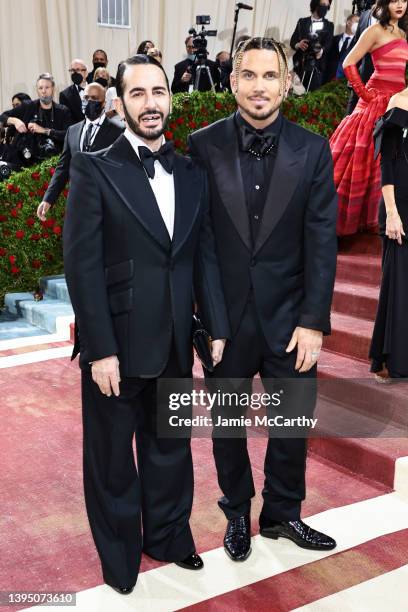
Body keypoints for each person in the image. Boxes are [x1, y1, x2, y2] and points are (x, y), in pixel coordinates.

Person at [63, 54, 230, 594]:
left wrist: (218, 325)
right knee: (112, 457)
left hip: (177, 339)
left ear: (170, 98)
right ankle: (119, 558)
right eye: (138, 94)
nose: (151, 103)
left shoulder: (190, 172)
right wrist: (99, 350)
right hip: (117, 345)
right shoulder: (95, 166)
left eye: (159, 92)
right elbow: (81, 263)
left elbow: (202, 254)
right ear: (120, 102)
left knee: (170, 448)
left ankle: (168, 536)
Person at [188, 37, 338, 562]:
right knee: (227, 427)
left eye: (269, 76)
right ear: (233, 83)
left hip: (291, 320)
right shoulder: (201, 146)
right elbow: (197, 240)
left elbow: (321, 239)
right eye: (248, 76)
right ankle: (236, 515)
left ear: (287, 83)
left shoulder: (314, 149)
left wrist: (314, 321)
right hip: (224, 322)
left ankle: (283, 514)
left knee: (292, 424)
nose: (258, 87)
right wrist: (207, 320)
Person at [330, 0, 408, 236]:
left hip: (399, 102)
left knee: (392, 161)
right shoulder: (374, 31)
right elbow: (348, 63)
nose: (400, 5)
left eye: (404, 0)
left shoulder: (405, 33)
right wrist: (364, 94)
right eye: (394, 0)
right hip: (374, 103)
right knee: (365, 159)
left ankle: (385, 219)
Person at [37, 83, 123, 220]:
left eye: (94, 99)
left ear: (104, 103)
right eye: (86, 98)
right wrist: (48, 199)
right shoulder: (72, 131)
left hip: (109, 207)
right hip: (79, 207)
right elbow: (62, 168)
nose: (89, 102)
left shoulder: (118, 131)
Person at [369, 90, 408, 380]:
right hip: (400, 209)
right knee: (398, 287)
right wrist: (393, 213)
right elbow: (388, 164)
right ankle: (395, 360)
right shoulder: (399, 102)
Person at [0, 73, 71, 167]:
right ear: (37, 90)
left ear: (53, 88)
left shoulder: (62, 111)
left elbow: (69, 135)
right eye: (40, 88)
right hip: (28, 162)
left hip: (55, 161)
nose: (44, 91)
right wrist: (15, 121)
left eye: (47, 87)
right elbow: (3, 116)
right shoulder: (28, 106)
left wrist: (44, 130)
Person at [290, 0, 334, 92]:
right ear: (315, 4)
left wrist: (320, 51)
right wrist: (299, 44)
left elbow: (329, 44)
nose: (324, 8)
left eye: (327, 5)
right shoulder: (302, 22)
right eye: (322, 4)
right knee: (296, 93)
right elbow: (293, 41)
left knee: (312, 96)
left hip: (317, 67)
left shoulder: (329, 25)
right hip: (300, 64)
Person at [346, 0, 377, 114]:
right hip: (360, 79)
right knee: (349, 117)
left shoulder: (393, 18)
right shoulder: (364, 16)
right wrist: (351, 80)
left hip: (380, 84)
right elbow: (355, 47)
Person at [325, 14, 360, 81]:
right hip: (328, 79)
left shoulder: (358, 43)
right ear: (348, 22)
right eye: (356, 21)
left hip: (345, 81)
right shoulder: (333, 39)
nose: (358, 24)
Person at [60, 59, 88, 123]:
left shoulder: (96, 89)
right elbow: (67, 119)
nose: (75, 73)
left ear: (85, 72)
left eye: (78, 70)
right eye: (72, 70)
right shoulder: (64, 95)